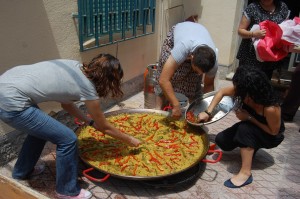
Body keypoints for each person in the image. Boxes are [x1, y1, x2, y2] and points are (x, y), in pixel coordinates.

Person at [0, 54, 142, 199]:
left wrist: (89, 122)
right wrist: (130, 140)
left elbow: (66, 104)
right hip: (12, 102)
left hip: (6, 84)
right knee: (68, 139)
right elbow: (105, 127)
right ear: (107, 80)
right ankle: (66, 191)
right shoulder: (87, 87)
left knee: (41, 132)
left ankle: (21, 171)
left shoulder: (76, 67)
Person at [198, 65, 285, 188]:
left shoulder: (271, 107)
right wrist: (208, 112)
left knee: (244, 130)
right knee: (221, 141)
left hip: (269, 136)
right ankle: (250, 146)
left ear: (253, 91)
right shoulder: (243, 90)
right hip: (251, 123)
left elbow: (274, 132)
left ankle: (245, 173)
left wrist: (249, 118)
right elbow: (221, 92)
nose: (238, 92)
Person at [154, 21, 218, 119]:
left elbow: (208, 86)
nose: (198, 74)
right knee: (169, 75)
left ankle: (194, 114)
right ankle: (158, 111)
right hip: (177, 38)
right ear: (191, 57)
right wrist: (175, 104)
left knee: (194, 83)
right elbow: (163, 80)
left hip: (194, 39)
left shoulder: (213, 62)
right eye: (196, 71)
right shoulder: (182, 47)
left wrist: (207, 110)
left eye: (201, 73)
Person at [237, 0, 290, 79]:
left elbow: (286, 28)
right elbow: (240, 31)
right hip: (251, 57)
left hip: (269, 57)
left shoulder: (282, 7)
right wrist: (254, 34)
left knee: (264, 84)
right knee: (246, 84)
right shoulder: (252, 8)